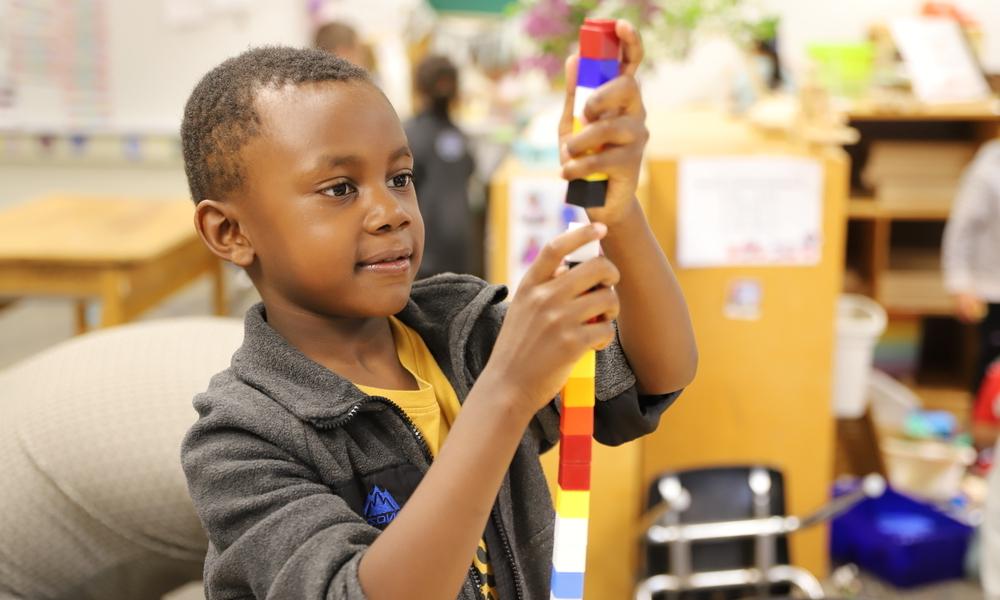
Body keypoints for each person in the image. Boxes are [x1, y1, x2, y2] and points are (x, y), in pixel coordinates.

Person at [180, 20, 697, 600]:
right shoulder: (239, 444)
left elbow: (656, 372)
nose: (391, 211)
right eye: (340, 189)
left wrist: (616, 208)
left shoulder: (461, 330)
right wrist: (506, 392)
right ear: (228, 231)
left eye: (400, 178)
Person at [404, 55, 476, 277]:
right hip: (460, 248)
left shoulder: (407, 135)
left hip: (423, 249)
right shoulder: (459, 136)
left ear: (419, 88)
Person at [942, 140, 1000, 396]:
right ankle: (984, 434)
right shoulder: (988, 170)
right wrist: (961, 284)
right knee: (991, 372)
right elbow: (961, 229)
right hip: (993, 287)